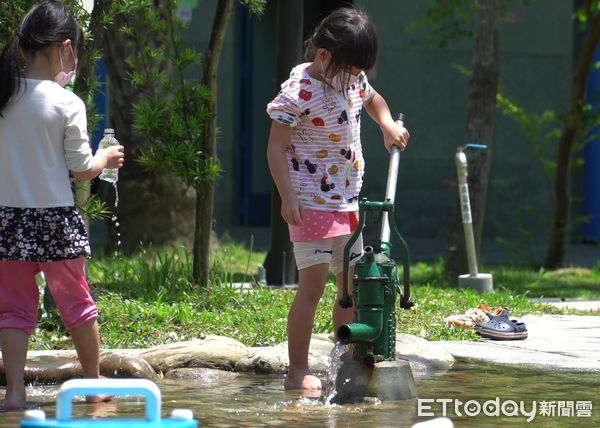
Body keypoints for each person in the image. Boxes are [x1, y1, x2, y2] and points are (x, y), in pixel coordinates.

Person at [266, 7, 409, 391]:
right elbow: (276, 149)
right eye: (348, 71)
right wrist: (288, 196)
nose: (354, 80)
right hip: (310, 205)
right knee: (311, 289)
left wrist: (387, 124)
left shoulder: (352, 79)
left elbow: (373, 98)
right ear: (324, 56)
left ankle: (344, 357)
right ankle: (297, 371)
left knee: (349, 286)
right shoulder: (299, 92)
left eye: (359, 72)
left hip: (348, 203)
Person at [0, 0, 124, 411]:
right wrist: (107, 159)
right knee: (78, 305)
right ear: (66, 48)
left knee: (14, 309)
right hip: (55, 219)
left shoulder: (5, 96)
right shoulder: (67, 101)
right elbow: (82, 169)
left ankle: (14, 392)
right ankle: (93, 385)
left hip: (8, 221)